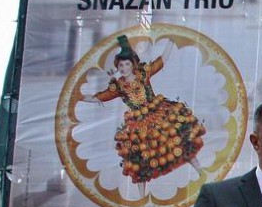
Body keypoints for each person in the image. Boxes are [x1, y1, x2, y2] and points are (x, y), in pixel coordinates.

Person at [82, 34, 206, 189]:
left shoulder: (143, 74)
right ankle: (141, 197)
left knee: (180, 142)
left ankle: (201, 172)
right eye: (121, 65)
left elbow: (161, 61)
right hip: (138, 125)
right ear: (118, 67)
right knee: (140, 161)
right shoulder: (119, 86)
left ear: (133, 64)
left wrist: (171, 42)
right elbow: (100, 97)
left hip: (159, 113)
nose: (124, 68)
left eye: (127, 64)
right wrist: (79, 97)